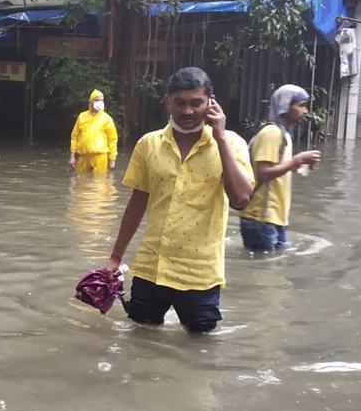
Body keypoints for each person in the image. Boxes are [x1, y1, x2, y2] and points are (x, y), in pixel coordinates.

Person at [102, 67, 254, 333]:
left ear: (211, 102)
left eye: (196, 103)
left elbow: (241, 199)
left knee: (199, 353)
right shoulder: (148, 144)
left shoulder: (232, 145)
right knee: (139, 342)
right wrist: (115, 257)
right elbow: (137, 204)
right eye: (180, 103)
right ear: (167, 101)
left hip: (200, 274)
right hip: (151, 268)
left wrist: (220, 137)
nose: (187, 111)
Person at [240, 85, 322, 252]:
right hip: (261, 218)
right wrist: (295, 161)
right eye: (301, 105)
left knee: (275, 269)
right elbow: (262, 173)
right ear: (285, 105)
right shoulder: (271, 133)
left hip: (275, 218)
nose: (305, 111)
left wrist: (299, 163)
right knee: (265, 271)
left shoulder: (284, 135)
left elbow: (277, 171)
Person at [69, 89, 118, 173]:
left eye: (102, 100)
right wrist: (72, 156)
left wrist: (112, 159)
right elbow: (74, 136)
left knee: (99, 183)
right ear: (90, 102)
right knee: (81, 180)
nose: (100, 102)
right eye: (97, 100)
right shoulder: (82, 116)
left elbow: (112, 139)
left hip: (100, 156)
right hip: (84, 156)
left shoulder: (107, 118)